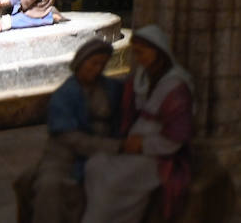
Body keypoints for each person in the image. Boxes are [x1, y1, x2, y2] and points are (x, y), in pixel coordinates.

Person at [82, 24, 193, 223]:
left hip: (161, 156)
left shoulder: (176, 88)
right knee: (94, 165)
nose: (138, 58)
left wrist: (142, 145)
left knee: (114, 183)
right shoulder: (141, 78)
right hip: (133, 147)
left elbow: (176, 137)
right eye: (136, 53)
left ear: (158, 53)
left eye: (142, 53)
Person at [17, 38, 124, 223]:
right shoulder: (65, 95)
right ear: (81, 62)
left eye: (102, 64)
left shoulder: (111, 88)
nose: (97, 69)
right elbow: (68, 137)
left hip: (102, 152)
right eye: (93, 63)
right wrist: (114, 146)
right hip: (64, 154)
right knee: (51, 186)